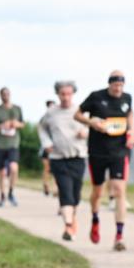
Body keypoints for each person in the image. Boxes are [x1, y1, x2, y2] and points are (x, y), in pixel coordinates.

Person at [75, 71, 134, 251]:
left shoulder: (127, 98)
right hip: (98, 151)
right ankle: (95, 218)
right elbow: (77, 115)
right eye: (115, 85)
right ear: (109, 84)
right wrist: (92, 123)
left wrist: (133, 131)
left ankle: (119, 235)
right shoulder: (96, 97)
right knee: (98, 192)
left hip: (119, 150)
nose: (118, 89)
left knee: (119, 189)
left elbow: (130, 115)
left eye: (121, 85)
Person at [40, 81, 88, 241]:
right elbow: (41, 128)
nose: (66, 97)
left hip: (78, 156)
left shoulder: (81, 111)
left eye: (69, 94)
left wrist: (85, 132)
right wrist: (46, 143)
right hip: (58, 158)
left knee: (75, 194)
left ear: (73, 94)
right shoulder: (51, 113)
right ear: (58, 95)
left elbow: (92, 126)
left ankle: (71, 220)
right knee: (65, 191)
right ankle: (68, 226)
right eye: (63, 94)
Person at [0, 87, 24, 207]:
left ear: (10, 95)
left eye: (7, 94)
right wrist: (1, 126)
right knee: (2, 173)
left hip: (13, 143)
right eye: (3, 94)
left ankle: (11, 192)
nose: (5, 96)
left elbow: (22, 124)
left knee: (14, 168)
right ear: (0, 96)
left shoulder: (17, 109)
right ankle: (2, 195)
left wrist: (15, 124)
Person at [41, 99, 55, 197]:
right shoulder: (44, 119)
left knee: (56, 170)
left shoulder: (57, 118)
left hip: (57, 148)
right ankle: (46, 185)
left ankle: (56, 189)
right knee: (47, 168)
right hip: (46, 148)